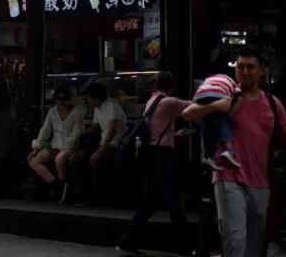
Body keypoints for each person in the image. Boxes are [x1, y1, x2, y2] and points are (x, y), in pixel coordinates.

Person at [183, 46, 286, 257]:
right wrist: (218, 106)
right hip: (228, 177)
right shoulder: (226, 94)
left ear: (262, 71)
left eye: (250, 67)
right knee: (235, 240)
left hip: (260, 182)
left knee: (255, 244)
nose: (244, 72)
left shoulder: (272, 103)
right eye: (240, 67)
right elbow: (188, 113)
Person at [117, 71, 193, 256]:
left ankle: (127, 240)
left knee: (150, 201)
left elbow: (156, 128)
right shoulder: (168, 102)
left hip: (152, 153)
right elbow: (194, 106)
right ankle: (183, 247)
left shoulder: (151, 101)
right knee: (176, 201)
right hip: (163, 156)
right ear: (171, 86)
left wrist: (174, 135)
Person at [71, 82, 128, 205]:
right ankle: (80, 194)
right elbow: (96, 126)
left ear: (96, 98)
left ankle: (96, 197)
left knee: (95, 159)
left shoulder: (112, 106)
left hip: (114, 144)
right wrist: (80, 135)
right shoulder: (97, 108)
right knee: (75, 159)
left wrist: (100, 150)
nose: (87, 101)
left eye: (89, 98)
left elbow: (112, 130)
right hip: (102, 142)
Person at [27, 85, 85, 204]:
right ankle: (55, 183)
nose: (62, 102)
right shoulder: (52, 112)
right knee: (33, 160)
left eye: (65, 99)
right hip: (54, 144)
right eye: (59, 99)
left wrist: (62, 148)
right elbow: (45, 130)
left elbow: (77, 133)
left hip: (70, 144)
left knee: (59, 159)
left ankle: (64, 183)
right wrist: (37, 147)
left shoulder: (77, 112)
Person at [193, 72, 241, 170]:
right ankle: (229, 151)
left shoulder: (209, 79)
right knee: (223, 119)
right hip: (219, 95)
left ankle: (208, 156)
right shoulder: (232, 83)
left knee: (208, 122)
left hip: (200, 95)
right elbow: (239, 98)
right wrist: (230, 114)